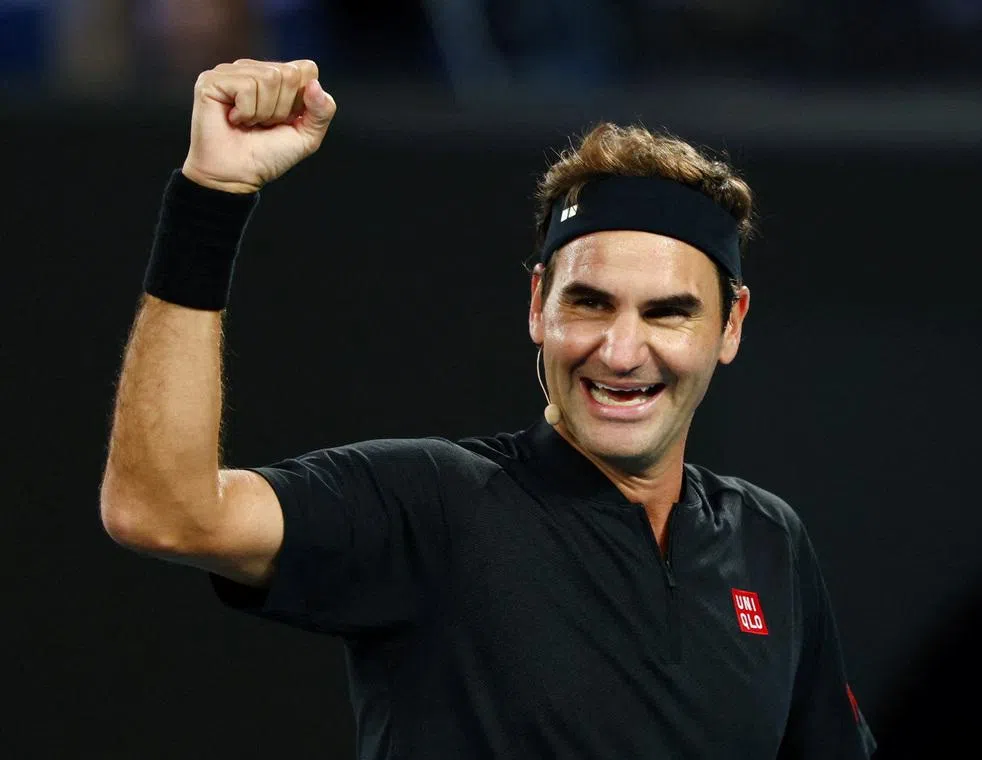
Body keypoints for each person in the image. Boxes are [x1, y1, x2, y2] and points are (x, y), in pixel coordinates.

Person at [99, 58, 877, 759]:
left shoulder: (768, 541)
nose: (620, 350)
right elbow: (161, 509)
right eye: (590, 303)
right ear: (538, 304)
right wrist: (210, 200)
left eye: (667, 312)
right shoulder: (433, 504)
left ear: (729, 325)